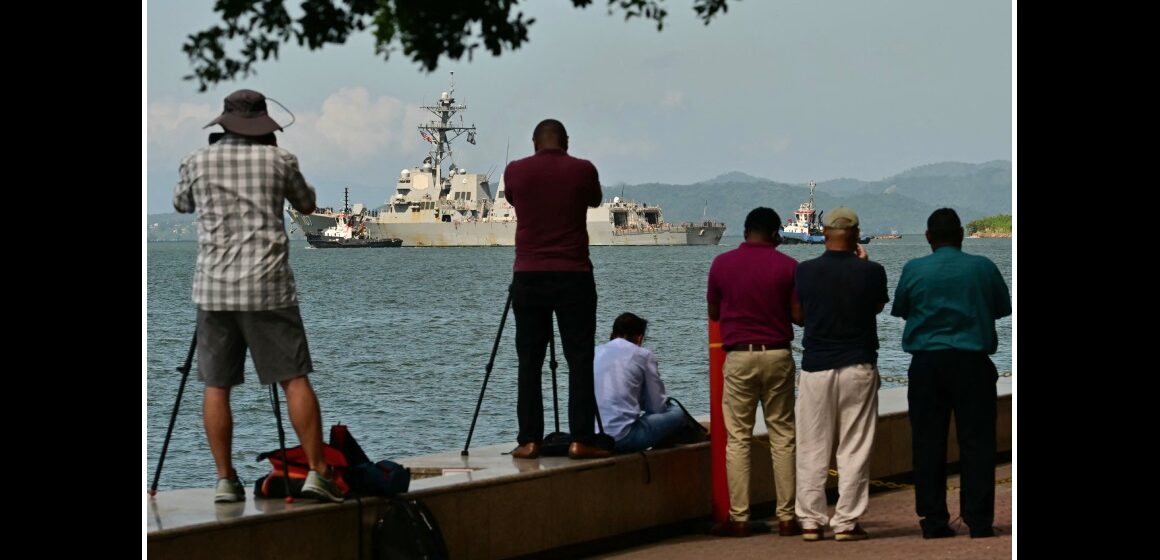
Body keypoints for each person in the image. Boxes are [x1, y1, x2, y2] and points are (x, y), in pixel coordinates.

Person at [173, 89, 342, 503]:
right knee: (294, 378)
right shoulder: (279, 160)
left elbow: (181, 203)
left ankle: (225, 480)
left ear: (225, 123)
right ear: (264, 126)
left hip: (214, 290)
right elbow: (307, 203)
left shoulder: (198, 160)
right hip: (269, 288)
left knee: (216, 385)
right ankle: (318, 473)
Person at [891, 208, 1011, 539]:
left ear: (928, 237)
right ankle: (979, 521)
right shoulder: (983, 267)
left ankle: (933, 521)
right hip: (973, 364)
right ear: (960, 234)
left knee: (928, 443)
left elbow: (900, 308)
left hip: (927, 364)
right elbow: (1004, 307)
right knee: (978, 443)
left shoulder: (914, 269)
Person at [502, 119, 609, 460]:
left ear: (534, 142)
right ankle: (581, 439)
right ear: (566, 142)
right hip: (573, 274)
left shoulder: (516, 170)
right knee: (579, 359)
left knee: (528, 361)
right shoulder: (583, 170)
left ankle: (530, 440)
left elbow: (515, 200)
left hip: (528, 275)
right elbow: (595, 200)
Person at [791, 208, 888, 542]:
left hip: (816, 367)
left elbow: (798, 316)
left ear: (825, 232)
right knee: (855, 446)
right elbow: (875, 307)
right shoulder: (872, 271)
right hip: (858, 365)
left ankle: (810, 521)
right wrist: (863, 265)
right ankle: (846, 522)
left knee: (812, 446)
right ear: (856, 234)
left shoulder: (804, 271)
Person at [706, 207, 802, 538]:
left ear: (746, 231)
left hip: (739, 357)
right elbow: (798, 316)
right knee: (783, 436)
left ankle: (740, 517)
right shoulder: (790, 266)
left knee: (738, 439)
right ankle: (788, 517)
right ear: (776, 233)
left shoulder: (721, 264)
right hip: (777, 354)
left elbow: (713, 311)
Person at [593, 313, 689, 453]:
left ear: (613, 333)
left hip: (593, 437)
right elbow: (657, 407)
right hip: (622, 438)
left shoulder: (595, 352)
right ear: (639, 337)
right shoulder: (643, 355)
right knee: (676, 412)